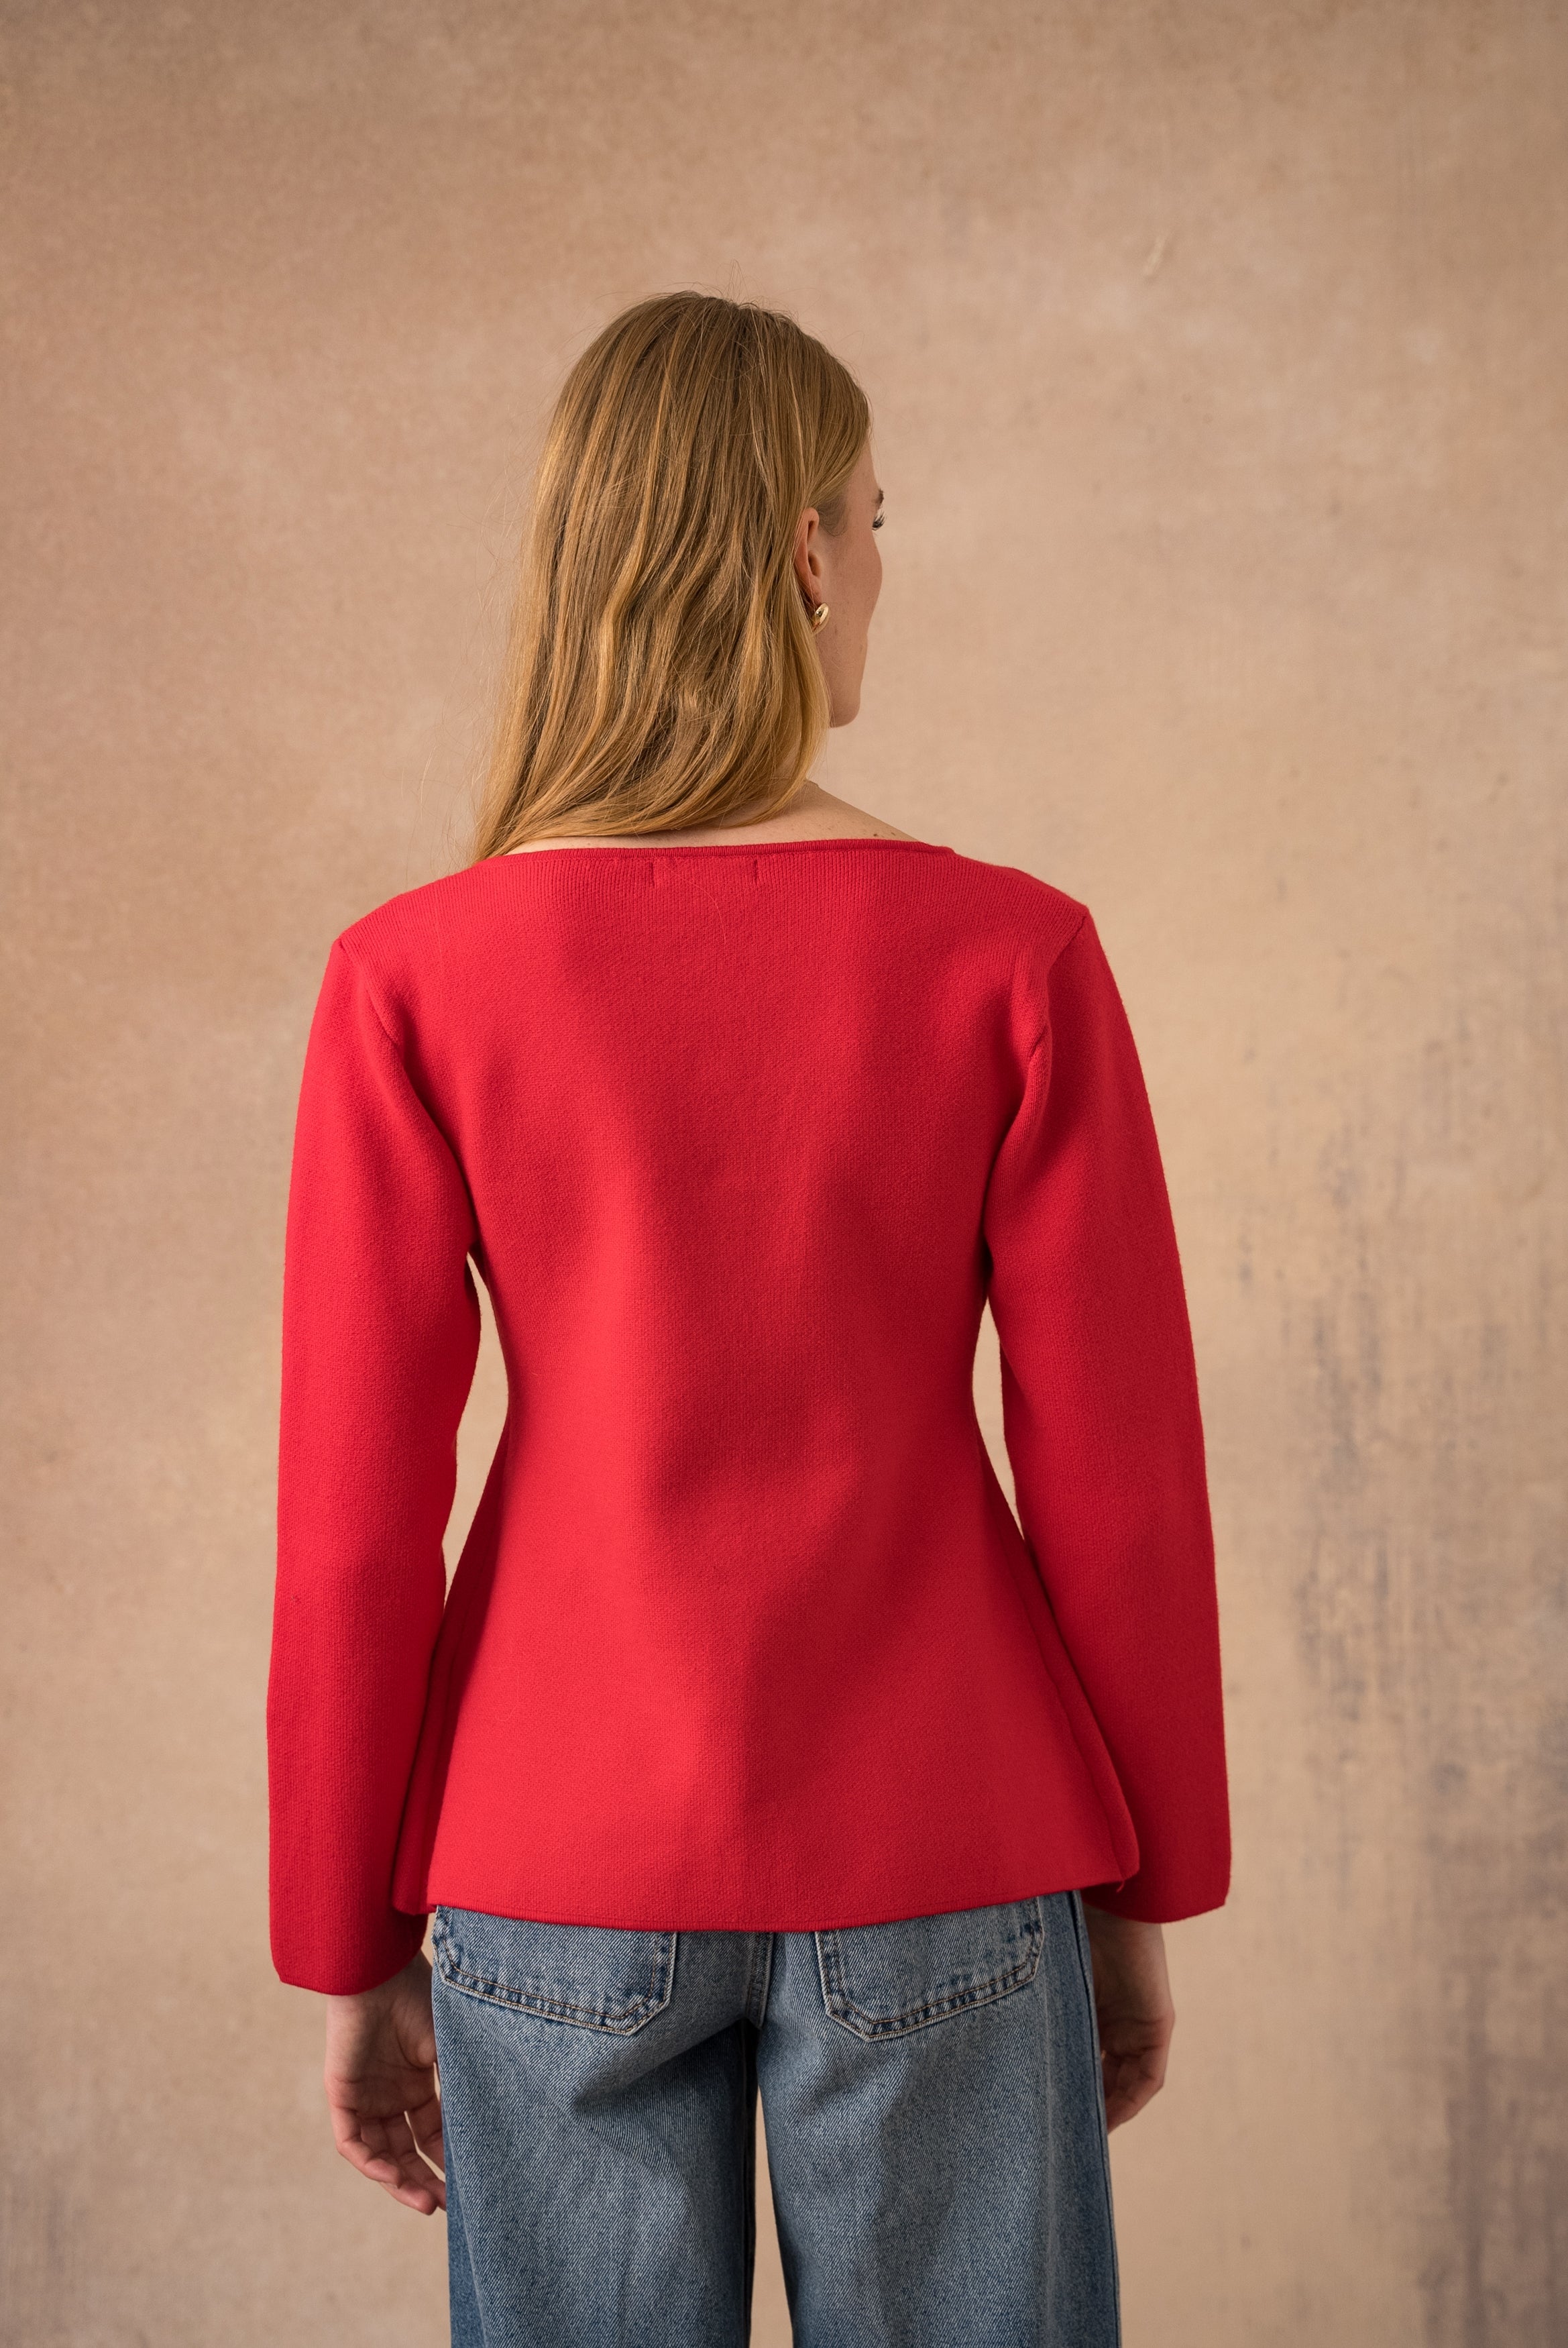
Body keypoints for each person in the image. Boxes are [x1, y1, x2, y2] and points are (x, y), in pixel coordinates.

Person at [267, 290, 1230, 2348]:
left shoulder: (411, 977)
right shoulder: (1013, 956)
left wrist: (342, 1936)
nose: (878, 567)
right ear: (803, 551)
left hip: (546, 1838)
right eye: (875, 520)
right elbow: (1120, 1481)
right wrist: (1146, 1886)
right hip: (947, 1827)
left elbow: (353, 1525)